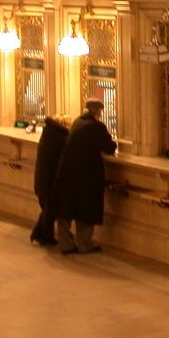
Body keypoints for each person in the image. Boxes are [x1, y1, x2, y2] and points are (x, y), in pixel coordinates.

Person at [54, 98, 116, 255]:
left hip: (67, 173)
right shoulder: (96, 127)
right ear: (97, 111)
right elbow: (109, 147)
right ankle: (85, 244)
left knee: (66, 210)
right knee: (85, 211)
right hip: (86, 176)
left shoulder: (76, 122)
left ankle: (66, 244)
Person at [29, 115, 71, 246]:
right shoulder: (60, 138)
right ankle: (42, 235)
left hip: (42, 180)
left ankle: (43, 235)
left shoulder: (48, 135)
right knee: (50, 210)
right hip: (50, 182)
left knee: (48, 209)